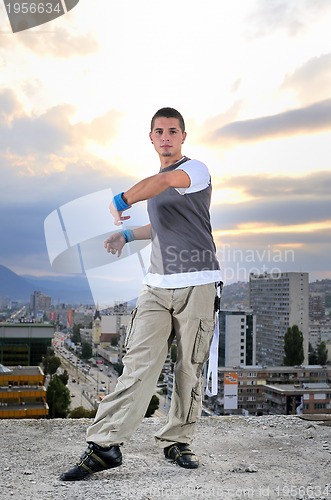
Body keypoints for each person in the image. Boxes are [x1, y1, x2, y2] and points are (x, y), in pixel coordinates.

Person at [60, 107, 222, 481]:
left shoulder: (195, 171)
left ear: (183, 136)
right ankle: (104, 446)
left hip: (197, 282)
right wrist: (129, 235)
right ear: (151, 138)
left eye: (172, 131)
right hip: (157, 285)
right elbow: (162, 224)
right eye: (159, 131)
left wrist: (121, 200)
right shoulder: (158, 181)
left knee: (188, 368)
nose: (166, 137)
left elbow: (162, 186)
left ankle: (176, 440)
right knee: (138, 364)